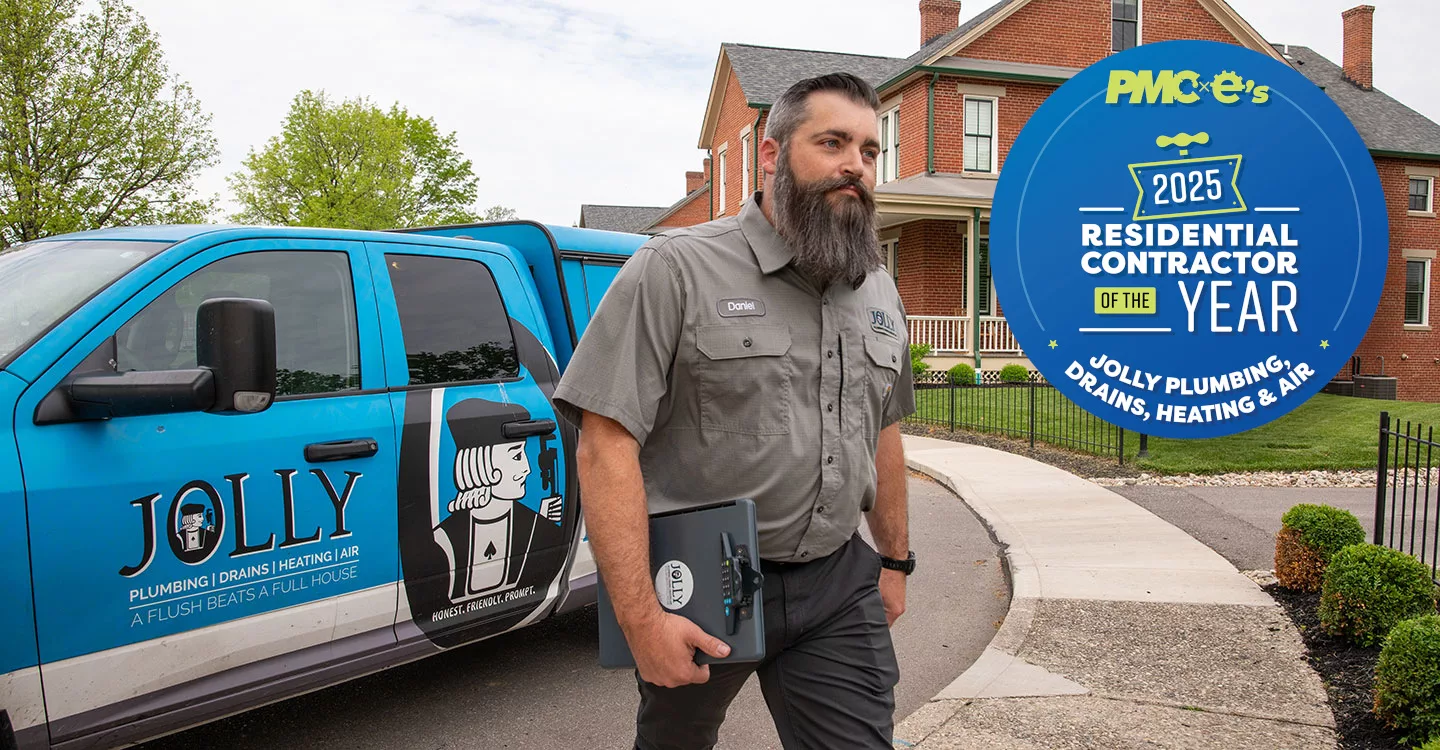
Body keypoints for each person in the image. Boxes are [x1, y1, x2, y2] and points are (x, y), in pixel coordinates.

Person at [553, 71, 917, 750]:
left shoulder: (877, 289)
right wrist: (640, 620)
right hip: (706, 578)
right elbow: (605, 442)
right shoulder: (675, 269)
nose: (856, 166)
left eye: (870, 151)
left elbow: (883, 428)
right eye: (833, 142)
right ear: (774, 155)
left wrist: (894, 561)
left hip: (837, 581)